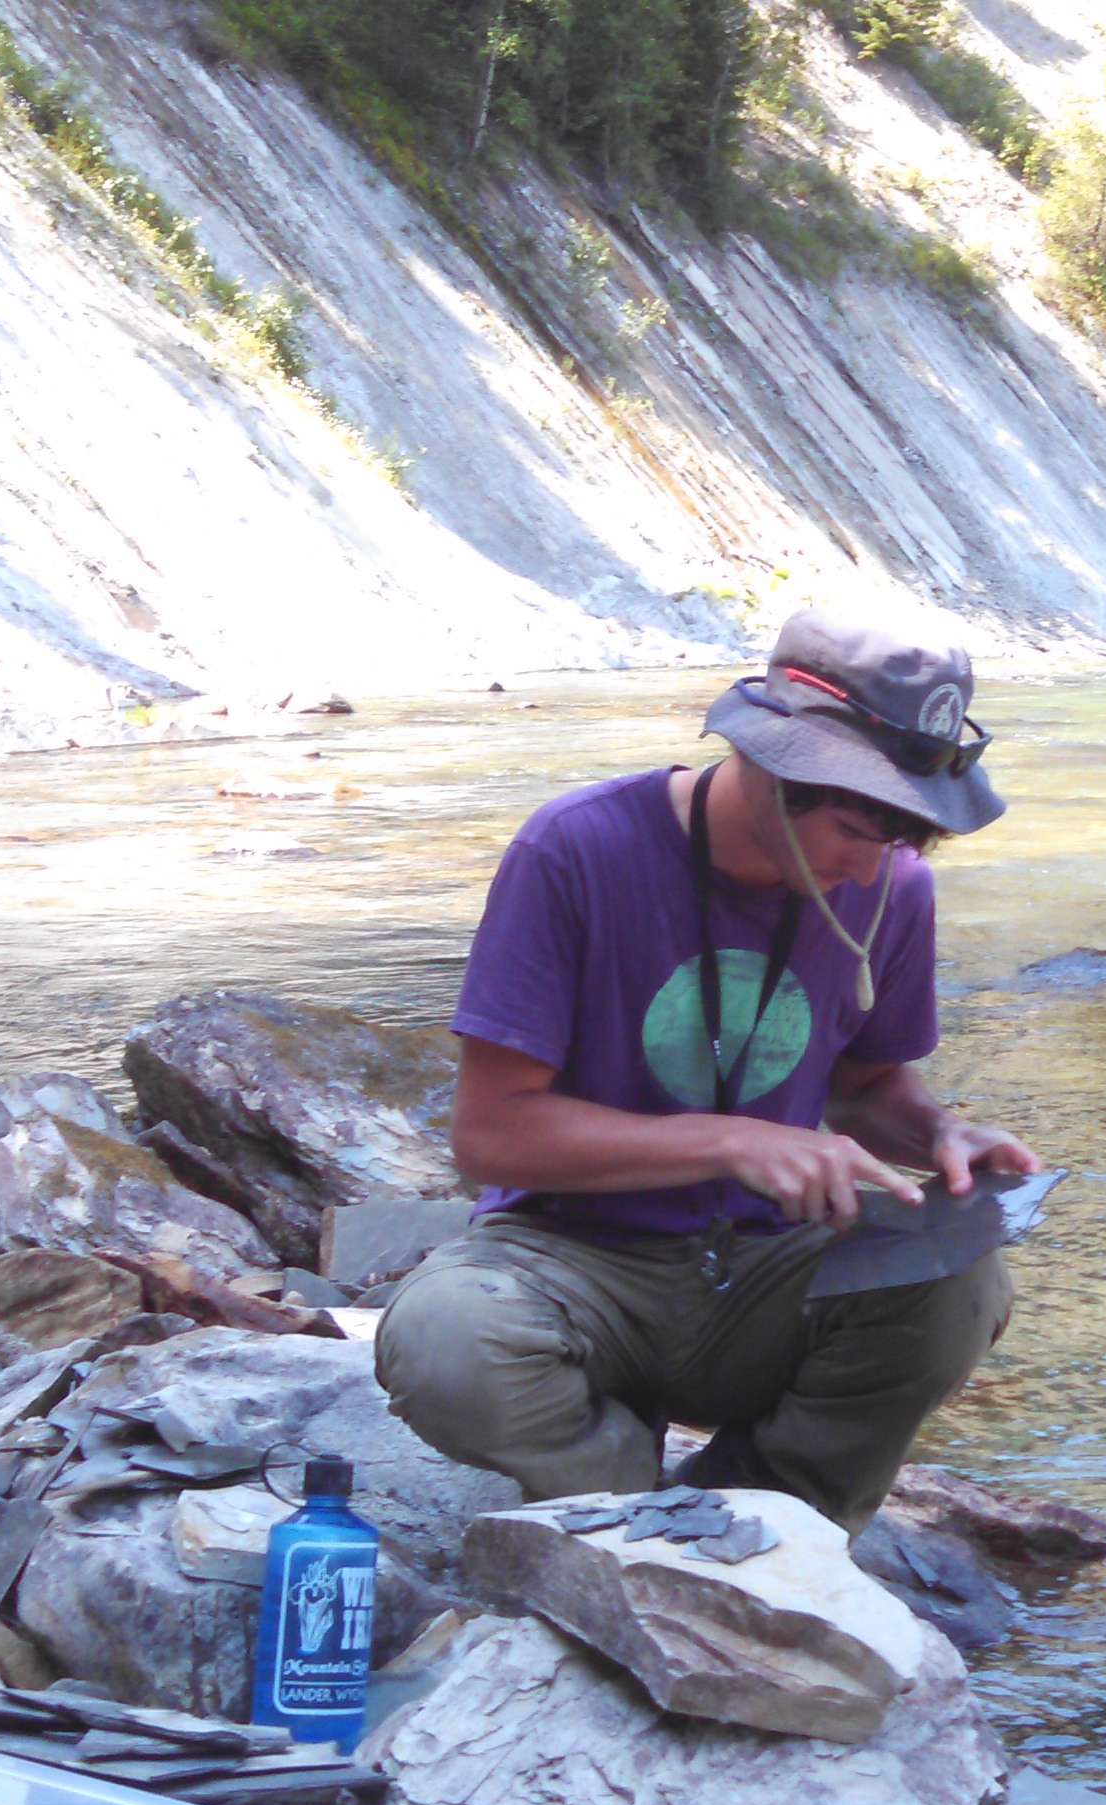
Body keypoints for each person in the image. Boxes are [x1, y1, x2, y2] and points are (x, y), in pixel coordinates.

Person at [373, 607, 1039, 1530]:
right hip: (570, 1258)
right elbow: (492, 1136)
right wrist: (731, 1142)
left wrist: (939, 1134)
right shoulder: (575, 850)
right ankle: (633, 1512)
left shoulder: (891, 887)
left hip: (768, 1268)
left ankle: (776, 1522)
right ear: (772, 766)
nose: (868, 866)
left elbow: (866, 1087)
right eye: (856, 828)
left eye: (905, 838)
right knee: (446, 1342)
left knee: (960, 1279)